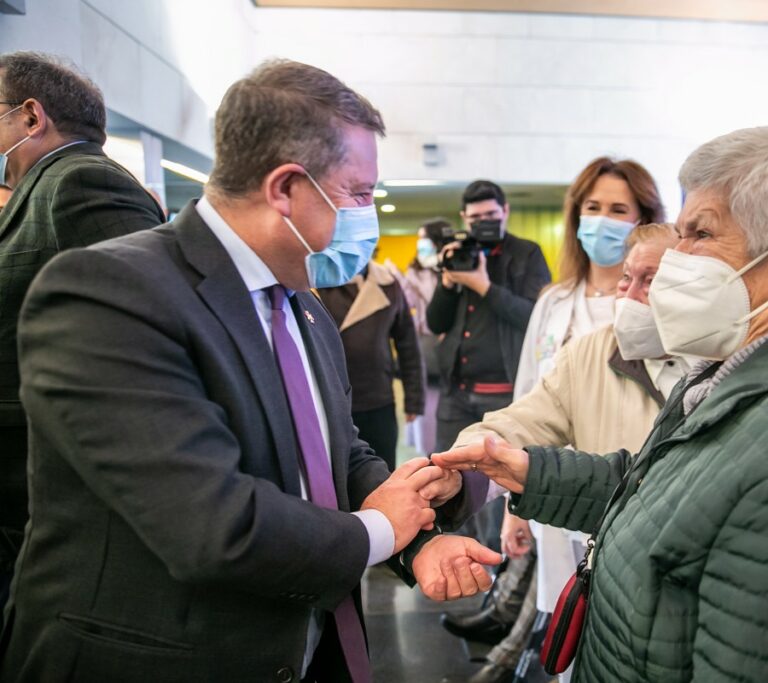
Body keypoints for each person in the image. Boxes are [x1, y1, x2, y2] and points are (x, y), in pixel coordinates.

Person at [0, 59, 498, 683]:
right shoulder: (108, 292)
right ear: (286, 188)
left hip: (305, 645)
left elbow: (333, 459)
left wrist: (419, 532)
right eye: (360, 193)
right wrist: (378, 529)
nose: (367, 216)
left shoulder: (304, 306)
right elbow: (211, 524)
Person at [434, 124, 768, 682]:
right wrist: (536, 474)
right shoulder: (749, 364)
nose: (674, 259)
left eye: (700, 234)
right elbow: (676, 499)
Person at [445, 157, 666, 677]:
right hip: (547, 486)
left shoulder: (657, 310)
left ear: (643, 219)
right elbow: (530, 399)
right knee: (565, 615)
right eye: (593, 207)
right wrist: (514, 503)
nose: (603, 220)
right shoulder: (556, 300)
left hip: (626, 495)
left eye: (619, 209)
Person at [0, 51, 165, 604]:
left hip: (43, 481)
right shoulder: (38, 189)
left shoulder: (83, 180)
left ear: (30, 116)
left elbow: (149, 331)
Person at [427, 180, 551, 549]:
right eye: (476, 216)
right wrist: (449, 283)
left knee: (495, 492)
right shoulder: (457, 253)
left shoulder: (526, 254)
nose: (483, 222)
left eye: (490, 215)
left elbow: (535, 317)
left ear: (505, 212)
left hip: (505, 397)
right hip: (456, 394)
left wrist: (482, 285)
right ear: (464, 217)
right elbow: (436, 322)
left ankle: (496, 573)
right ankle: (457, 560)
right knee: (446, 483)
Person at [318, 255, 425, 471]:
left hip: (379, 399)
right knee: (338, 477)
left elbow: (408, 345)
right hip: (332, 399)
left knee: (382, 473)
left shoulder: (388, 283)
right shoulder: (317, 280)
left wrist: (414, 398)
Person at [396, 217, 448, 456]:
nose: (420, 245)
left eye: (424, 239)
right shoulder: (414, 271)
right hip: (426, 343)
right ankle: (430, 454)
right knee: (428, 406)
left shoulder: (452, 267)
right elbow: (407, 307)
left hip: (450, 343)